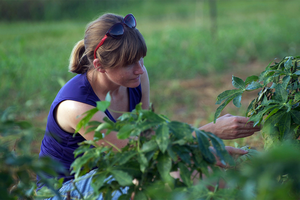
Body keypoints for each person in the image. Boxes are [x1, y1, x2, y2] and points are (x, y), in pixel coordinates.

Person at [37, 13, 260, 199]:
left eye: (141, 59)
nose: (140, 69)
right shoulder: (77, 108)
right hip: (64, 189)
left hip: (116, 169)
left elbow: (147, 135)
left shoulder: (135, 78)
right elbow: (140, 156)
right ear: (99, 65)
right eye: (130, 63)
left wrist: (199, 150)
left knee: (208, 171)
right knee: (178, 178)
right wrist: (207, 134)